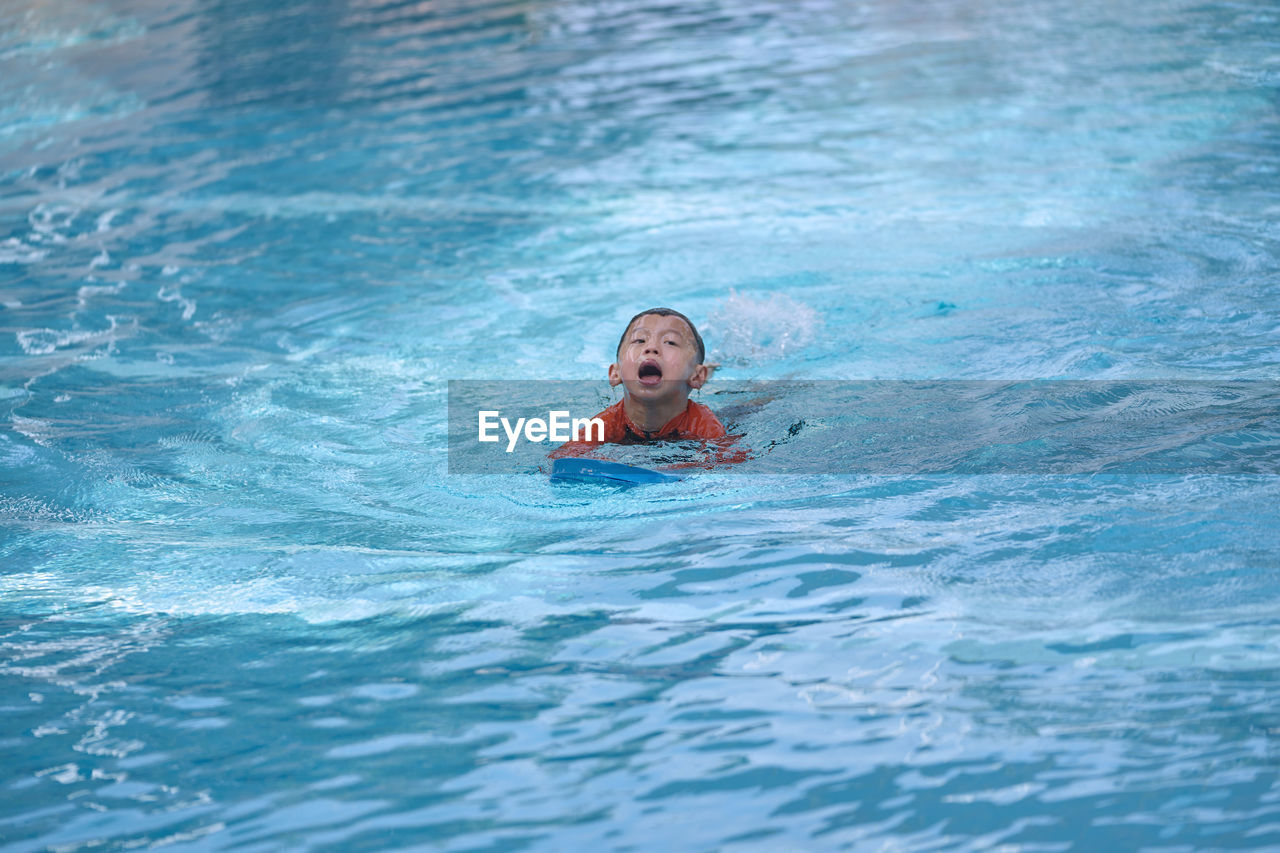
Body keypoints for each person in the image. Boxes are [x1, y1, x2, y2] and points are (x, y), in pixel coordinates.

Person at [551, 308, 735, 459]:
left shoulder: (702, 423)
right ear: (616, 373)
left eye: (670, 342)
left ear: (696, 377)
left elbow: (733, 464)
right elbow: (560, 461)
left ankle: (715, 366)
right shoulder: (607, 423)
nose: (651, 348)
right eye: (639, 340)